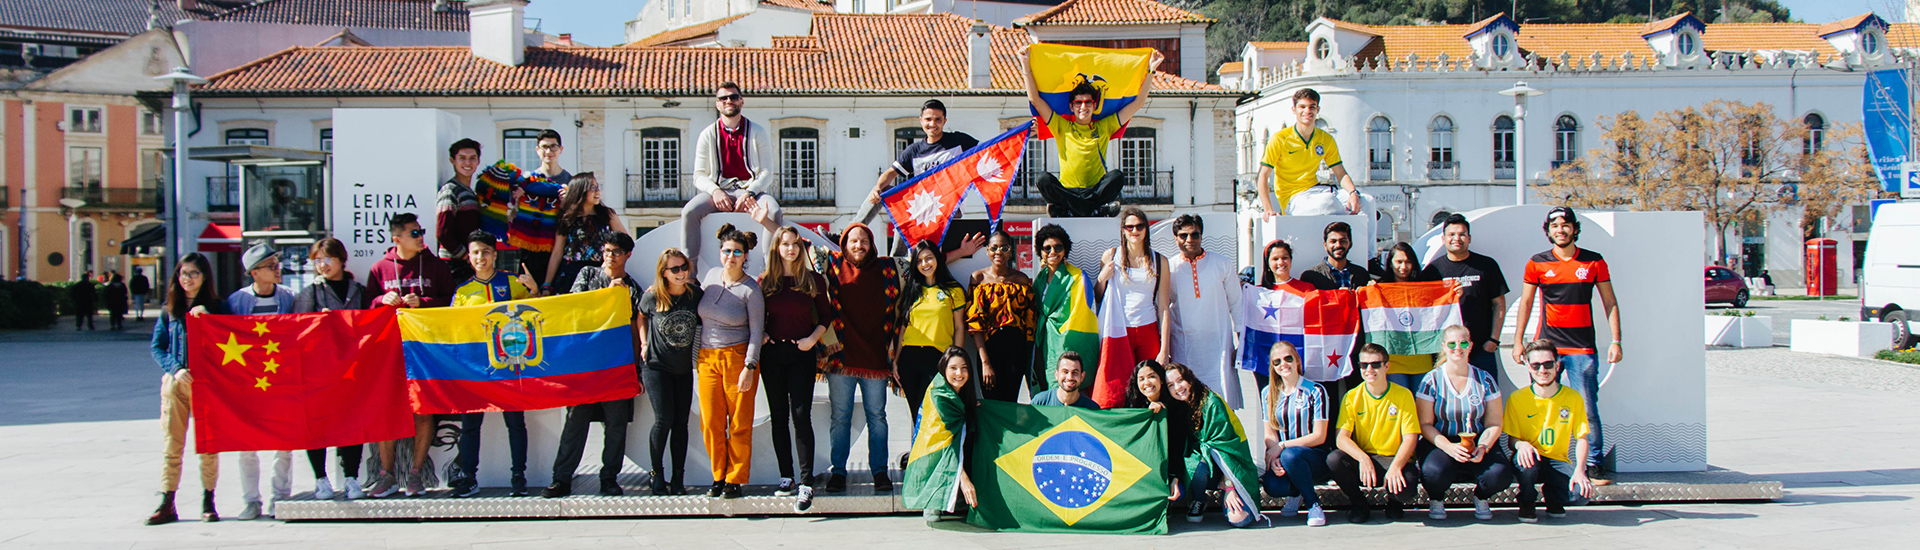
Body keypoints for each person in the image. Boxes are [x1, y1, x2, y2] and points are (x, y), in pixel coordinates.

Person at [1512, 206, 1620, 482]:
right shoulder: (1537, 262)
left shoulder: (1594, 262)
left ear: (1574, 228)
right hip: (1546, 348)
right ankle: (1536, 460)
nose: (1560, 230)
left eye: (1565, 225)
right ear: (1548, 231)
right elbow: (1525, 302)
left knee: (1587, 407)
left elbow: (1610, 302)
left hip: (1582, 348)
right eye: (1555, 225)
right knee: (1541, 404)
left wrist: (1616, 340)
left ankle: (1593, 463)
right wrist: (1518, 341)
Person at [544, 232, 643, 498]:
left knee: (616, 426)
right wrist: (606, 296)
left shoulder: (633, 288)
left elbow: (635, 330)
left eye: (617, 252)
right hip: (585, 366)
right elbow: (575, 309)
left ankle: (609, 479)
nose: (610, 256)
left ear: (627, 256)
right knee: (575, 423)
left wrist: (636, 370)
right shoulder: (587, 275)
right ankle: (561, 479)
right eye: (607, 250)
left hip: (617, 366)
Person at [365, 212, 456, 498]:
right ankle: (386, 475)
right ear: (397, 239)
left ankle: (416, 474)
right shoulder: (380, 268)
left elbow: (451, 303)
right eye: (414, 233)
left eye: (421, 231)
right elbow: (365, 308)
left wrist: (424, 302)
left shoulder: (435, 266)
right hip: (390, 351)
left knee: (424, 410)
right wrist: (381, 300)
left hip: (425, 351)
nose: (420, 237)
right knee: (387, 412)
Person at [809, 223, 900, 494]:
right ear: (844, 244)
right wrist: (767, 220)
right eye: (853, 241)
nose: (858, 245)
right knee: (840, 418)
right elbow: (791, 245)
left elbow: (925, 261)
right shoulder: (832, 265)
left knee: (877, 417)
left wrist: (961, 252)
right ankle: (838, 472)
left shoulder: (888, 269)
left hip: (876, 359)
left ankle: (880, 472)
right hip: (841, 359)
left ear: (872, 244)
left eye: (864, 241)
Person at [1020, 46, 1163, 218]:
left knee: (1117, 176)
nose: (1083, 106)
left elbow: (1138, 102)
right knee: (1043, 179)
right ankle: (1090, 208)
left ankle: (1072, 208)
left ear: (1094, 106)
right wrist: (1025, 65)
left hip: (1095, 191)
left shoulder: (1105, 126)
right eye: (1078, 102)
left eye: (1088, 102)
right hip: (1069, 191)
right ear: (1072, 106)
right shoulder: (1061, 125)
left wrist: (1151, 69)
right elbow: (1035, 99)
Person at [448, 230, 538, 498]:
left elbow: (536, 314)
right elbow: (453, 329)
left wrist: (534, 290)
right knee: (471, 426)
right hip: (475, 369)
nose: (480, 257)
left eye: (485, 252)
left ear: (494, 254)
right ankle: (469, 477)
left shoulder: (512, 283)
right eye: (475, 252)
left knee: (515, 422)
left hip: (509, 365)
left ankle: (518, 477)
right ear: (469, 257)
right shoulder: (462, 292)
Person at [147, 253, 227, 525]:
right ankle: (168, 501)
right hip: (176, 383)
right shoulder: (170, 309)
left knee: (207, 445)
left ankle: (208, 500)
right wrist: (175, 368)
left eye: (193, 273)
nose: (187, 279)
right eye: (183, 274)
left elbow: (231, 341)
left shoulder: (218, 307)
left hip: (206, 386)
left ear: (204, 277)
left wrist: (210, 318)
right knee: (172, 443)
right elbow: (157, 347)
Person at [292, 237, 373, 501]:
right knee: (317, 426)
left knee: (352, 424)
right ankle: (321, 479)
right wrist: (319, 323)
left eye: (327, 259)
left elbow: (370, 325)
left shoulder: (358, 291)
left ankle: (351, 477)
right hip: (320, 373)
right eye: (317, 261)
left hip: (352, 370)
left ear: (341, 259)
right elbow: (298, 332)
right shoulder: (310, 293)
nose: (322, 265)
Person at [758, 226, 833, 507]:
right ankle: (785, 476)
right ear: (777, 248)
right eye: (785, 244)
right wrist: (762, 335)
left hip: (802, 353)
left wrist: (812, 340)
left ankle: (806, 482)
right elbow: (756, 317)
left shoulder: (813, 280)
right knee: (779, 416)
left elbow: (826, 316)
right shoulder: (765, 282)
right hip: (772, 355)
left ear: (801, 249)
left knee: (801, 416)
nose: (790, 249)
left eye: (795, 244)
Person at [225, 243, 296, 519]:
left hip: (281, 380)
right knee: (246, 445)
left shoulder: (289, 297)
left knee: (284, 443)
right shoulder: (237, 302)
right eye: (271, 266)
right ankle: (251, 500)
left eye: (277, 264)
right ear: (254, 273)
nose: (278, 269)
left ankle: (280, 497)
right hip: (248, 383)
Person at [1414, 325, 1512, 521]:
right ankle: (1436, 498)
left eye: (1463, 343)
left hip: (1477, 439)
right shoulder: (1431, 380)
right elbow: (1424, 424)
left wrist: (1483, 447)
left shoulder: (1485, 379)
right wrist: (1449, 447)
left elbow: (1494, 423)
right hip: (1441, 440)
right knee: (1434, 472)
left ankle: (1481, 496)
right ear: (1443, 346)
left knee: (1500, 474)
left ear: (1470, 346)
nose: (1457, 348)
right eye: (1452, 343)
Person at [696, 224, 765, 499]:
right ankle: (718, 475)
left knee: (739, 422)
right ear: (720, 251)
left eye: (737, 252)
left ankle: (735, 479)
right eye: (727, 251)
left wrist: (749, 366)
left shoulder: (752, 290)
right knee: (711, 421)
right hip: (706, 359)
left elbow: (757, 331)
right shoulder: (711, 277)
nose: (731, 256)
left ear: (745, 255)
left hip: (737, 358)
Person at [682, 82, 783, 266]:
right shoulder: (707, 134)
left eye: (733, 97)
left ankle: (770, 271)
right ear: (717, 104)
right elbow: (698, 175)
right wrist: (715, 191)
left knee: (774, 211)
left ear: (741, 102)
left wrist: (751, 193)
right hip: (719, 191)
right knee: (689, 211)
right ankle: (690, 273)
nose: (729, 101)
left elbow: (767, 172)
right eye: (723, 98)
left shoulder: (757, 132)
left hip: (751, 191)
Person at [1506, 340, 1599, 522]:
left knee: (1581, 494)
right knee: (1526, 463)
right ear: (1528, 366)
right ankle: (1526, 501)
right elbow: (1512, 440)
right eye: (1536, 365)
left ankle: (1555, 498)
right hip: (1530, 458)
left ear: (1557, 365)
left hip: (1557, 459)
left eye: (1548, 364)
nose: (1542, 370)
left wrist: (1580, 470)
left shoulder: (1573, 398)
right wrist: (1520, 444)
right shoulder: (1517, 398)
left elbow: (1582, 438)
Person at [1327, 343, 1421, 523]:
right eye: (1364, 365)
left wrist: (1395, 467)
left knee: (1407, 488)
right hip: (1366, 459)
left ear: (1386, 366)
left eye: (1375, 364)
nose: (1369, 369)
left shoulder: (1403, 395)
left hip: (1393, 458)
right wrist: (1363, 458)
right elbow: (1341, 438)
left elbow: (1410, 438)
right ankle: (1358, 503)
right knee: (1334, 460)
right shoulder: (1352, 396)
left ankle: (1394, 503)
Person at [1095, 207, 1173, 408]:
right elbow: (1097, 296)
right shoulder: (1111, 255)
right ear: (1122, 230)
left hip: (1148, 329)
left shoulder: (1159, 261)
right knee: (1119, 386)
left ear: (1146, 229)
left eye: (1139, 226)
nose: (1134, 231)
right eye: (1129, 227)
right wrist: (1101, 278)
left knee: (1152, 387)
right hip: (1119, 329)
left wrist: (1164, 349)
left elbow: (1164, 307)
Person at [1166, 362, 1261, 527]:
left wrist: (1230, 486)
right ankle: (1199, 499)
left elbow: (1226, 449)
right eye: (1170, 385)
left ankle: (1228, 490)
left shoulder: (1211, 403)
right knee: (1196, 462)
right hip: (1203, 470)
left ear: (1189, 378)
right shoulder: (1177, 408)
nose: (1177, 387)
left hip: (1229, 468)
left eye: (1180, 380)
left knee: (1240, 519)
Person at [639, 248, 702, 496]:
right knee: (663, 420)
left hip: (683, 369)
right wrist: (644, 344)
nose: (681, 273)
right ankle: (656, 475)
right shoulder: (653, 296)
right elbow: (640, 316)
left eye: (684, 267)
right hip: (656, 367)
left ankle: (678, 478)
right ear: (663, 273)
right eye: (675, 269)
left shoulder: (695, 295)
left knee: (681, 423)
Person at [1419, 214, 1510, 384]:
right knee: (1446, 399)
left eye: (1461, 234)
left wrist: (1493, 340)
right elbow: (1423, 308)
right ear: (1443, 238)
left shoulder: (1486, 265)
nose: (1457, 238)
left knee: (1488, 397)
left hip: (1481, 349)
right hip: (1447, 350)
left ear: (1469, 238)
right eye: (1451, 234)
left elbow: (1499, 303)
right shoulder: (1433, 271)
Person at [1167, 214, 1243, 407]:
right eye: (1183, 235)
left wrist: (1241, 340)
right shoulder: (1169, 268)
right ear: (1175, 237)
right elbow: (1162, 308)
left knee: (1222, 397)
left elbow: (1237, 303)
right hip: (1184, 345)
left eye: (1195, 235)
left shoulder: (1222, 264)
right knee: (1187, 399)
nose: (1189, 240)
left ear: (1201, 236)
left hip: (1219, 345)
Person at [1254, 88, 1362, 216]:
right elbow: (1263, 176)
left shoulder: (1326, 139)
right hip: (1293, 198)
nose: (1307, 111)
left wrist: (1352, 193)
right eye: (1302, 107)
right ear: (1294, 110)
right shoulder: (1279, 139)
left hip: (1317, 191)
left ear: (1317, 109)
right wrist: (1268, 210)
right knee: (1327, 202)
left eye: (1312, 107)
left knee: (1366, 202)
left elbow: (1340, 173)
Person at [895, 239, 968, 427]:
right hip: (909, 358)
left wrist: (955, 360)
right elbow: (904, 327)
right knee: (915, 413)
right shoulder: (911, 290)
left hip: (937, 358)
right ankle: (917, 452)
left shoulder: (953, 290)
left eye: (929, 258)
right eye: (919, 261)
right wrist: (896, 360)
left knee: (930, 410)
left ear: (938, 259)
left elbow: (960, 327)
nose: (925, 264)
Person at [1259, 341, 1332, 527]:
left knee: (1291, 455)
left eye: (1288, 358)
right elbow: (1269, 433)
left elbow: (1319, 436)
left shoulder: (1315, 390)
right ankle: (1295, 493)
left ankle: (1313, 504)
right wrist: (1274, 456)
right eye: (1277, 362)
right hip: (1284, 457)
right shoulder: (1268, 393)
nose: (1283, 364)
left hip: (1312, 457)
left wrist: (1281, 448)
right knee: (1272, 486)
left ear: (1297, 361)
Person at [863, 100, 979, 211]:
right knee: (881, 191)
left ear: (944, 121)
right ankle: (855, 229)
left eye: (938, 119)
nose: (932, 124)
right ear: (921, 121)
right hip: (921, 204)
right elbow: (891, 172)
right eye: (928, 119)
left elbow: (987, 152)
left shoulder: (959, 141)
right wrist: (877, 188)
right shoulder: (914, 150)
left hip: (950, 205)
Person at [908, 347, 979, 523]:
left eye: (964, 368)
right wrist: (963, 479)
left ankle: (958, 498)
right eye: (953, 368)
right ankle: (932, 499)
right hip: (932, 453)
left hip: (954, 450)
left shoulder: (962, 393)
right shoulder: (939, 394)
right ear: (943, 369)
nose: (959, 373)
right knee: (933, 518)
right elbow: (944, 442)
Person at [968, 229, 1035, 402]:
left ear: (1011, 251)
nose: (999, 252)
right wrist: (985, 362)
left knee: (1010, 401)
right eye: (994, 248)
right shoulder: (978, 278)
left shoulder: (1021, 279)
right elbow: (975, 325)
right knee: (990, 402)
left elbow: (1029, 321)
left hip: (1016, 350)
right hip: (989, 349)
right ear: (987, 250)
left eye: (1004, 248)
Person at [1032, 224, 1099, 394]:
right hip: (1042, 339)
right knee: (1045, 382)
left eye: (1058, 247)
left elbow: (1082, 312)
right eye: (1047, 248)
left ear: (1065, 250)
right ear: (1040, 252)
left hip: (1065, 339)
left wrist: (1062, 337)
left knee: (1066, 382)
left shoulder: (1077, 276)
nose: (1052, 252)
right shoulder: (1039, 279)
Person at [544, 173, 628, 295]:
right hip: (570, 275)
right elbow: (557, 252)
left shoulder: (607, 215)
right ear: (580, 191)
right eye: (593, 188)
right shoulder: (567, 218)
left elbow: (625, 242)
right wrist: (547, 284)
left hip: (599, 272)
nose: (598, 191)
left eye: (598, 187)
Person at [1123, 360, 1190, 507]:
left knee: (1178, 494)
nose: (1147, 382)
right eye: (1141, 379)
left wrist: (1175, 478)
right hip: (1141, 471)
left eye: (1152, 376)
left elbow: (1179, 447)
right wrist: (1147, 411)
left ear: (1161, 379)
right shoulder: (1133, 407)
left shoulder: (1177, 408)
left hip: (1168, 469)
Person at [1376, 242, 1437, 390]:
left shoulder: (1425, 287)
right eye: (1399, 262)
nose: (1403, 267)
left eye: (1408, 262)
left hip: (1421, 357)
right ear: (1390, 263)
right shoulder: (1378, 288)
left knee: (1422, 407)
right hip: (1393, 358)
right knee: (1399, 407)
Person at [437, 138, 485, 282]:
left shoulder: (470, 192)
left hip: (468, 263)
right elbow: (443, 232)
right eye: (462, 158)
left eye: (472, 158)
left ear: (478, 161)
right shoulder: (450, 190)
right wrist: (466, 257)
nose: (467, 163)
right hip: (454, 265)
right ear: (453, 160)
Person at [1301, 221, 1371, 291]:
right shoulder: (1311, 276)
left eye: (1343, 241)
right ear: (1325, 245)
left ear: (1350, 244)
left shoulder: (1361, 274)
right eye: (1333, 241)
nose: (1338, 245)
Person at [1028, 352, 1099, 409]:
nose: (1070, 377)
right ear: (1056, 375)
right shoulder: (1040, 402)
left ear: (1082, 376)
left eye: (1075, 373)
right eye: (1065, 372)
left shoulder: (1091, 409)